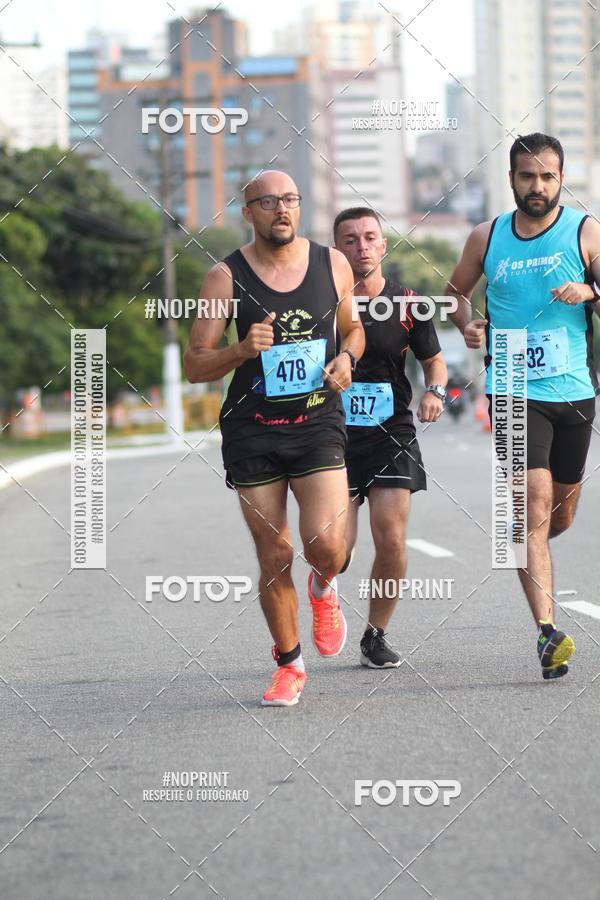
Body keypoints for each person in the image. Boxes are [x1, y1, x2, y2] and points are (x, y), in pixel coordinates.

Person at [184, 170, 364, 706]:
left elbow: (353, 327)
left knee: (327, 546)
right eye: (268, 202)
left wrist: (347, 358)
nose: (281, 210)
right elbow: (196, 364)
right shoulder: (224, 278)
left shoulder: (332, 263)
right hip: (252, 431)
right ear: (248, 212)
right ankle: (288, 663)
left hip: (316, 423)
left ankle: (325, 585)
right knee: (274, 552)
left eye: (290, 200)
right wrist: (240, 350)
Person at [447, 132, 600, 679]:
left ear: (561, 179)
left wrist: (592, 294)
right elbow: (455, 292)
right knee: (529, 504)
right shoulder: (486, 237)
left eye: (548, 176)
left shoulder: (585, 233)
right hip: (511, 383)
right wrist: (466, 322)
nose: (538, 186)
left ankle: (528, 535)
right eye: (527, 176)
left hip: (574, 389)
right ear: (511, 179)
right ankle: (546, 632)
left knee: (557, 513)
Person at [334, 207, 447, 667]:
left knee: (392, 537)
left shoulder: (408, 303)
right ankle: (329, 578)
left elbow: (433, 360)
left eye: (369, 237)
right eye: (349, 239)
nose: (361, 246)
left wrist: (435, 391)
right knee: (333, 553)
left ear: (383, 245)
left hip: (391, 432)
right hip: (332, 434)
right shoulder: (326, 301)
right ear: (336, 249)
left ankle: (374, 635)